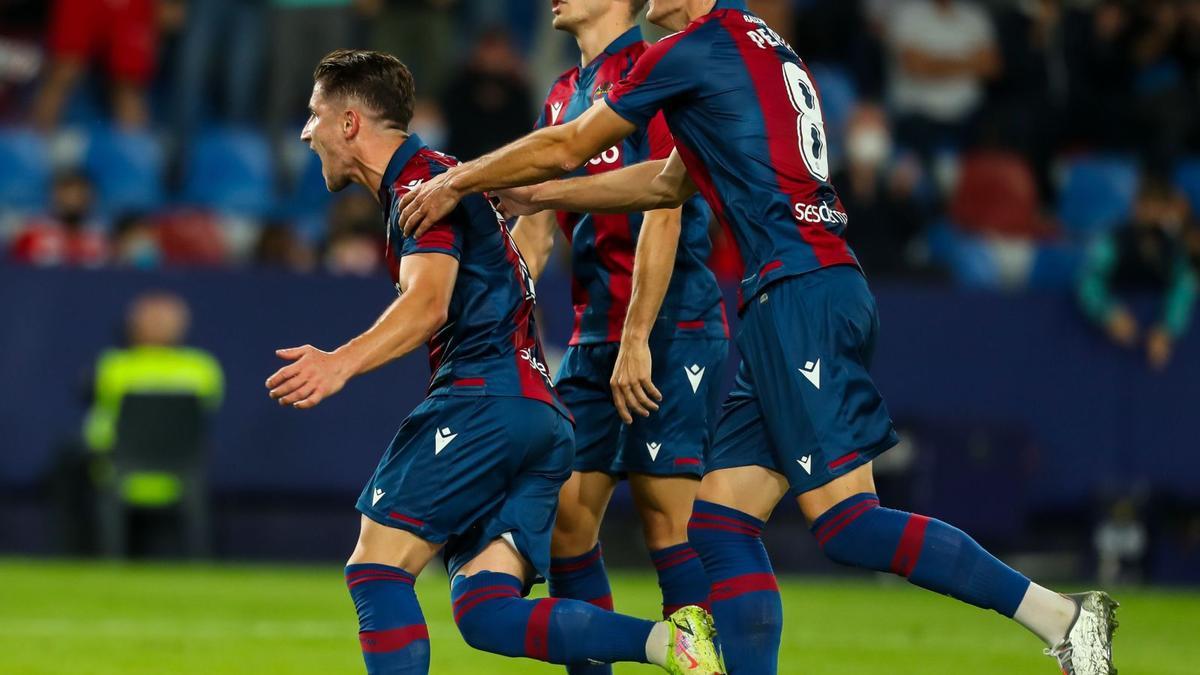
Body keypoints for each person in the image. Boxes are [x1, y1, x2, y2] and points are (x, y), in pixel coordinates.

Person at [396, 2, 1118, 673]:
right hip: (804, 289)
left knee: (846, 524)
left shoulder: (691, 50)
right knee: (717, 522)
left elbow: (572, 143)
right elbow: (665, 183)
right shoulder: (755, 46)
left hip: (797, 293)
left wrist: (461, 178)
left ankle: (1063, 618)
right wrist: (543, 195)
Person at [265, 49, 722, 675]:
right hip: (540, 418)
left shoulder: (420, 186)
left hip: (484, 400)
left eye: (316, 115)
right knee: (485, 612)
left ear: (350, 124)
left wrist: (339, 364)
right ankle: (670, 645)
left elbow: (428, 305)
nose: (305, 131)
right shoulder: (451, 178)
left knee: (376, 569)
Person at [509, 4, 728, 667]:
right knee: (569, 523)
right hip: (592, 331)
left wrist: (638, 339)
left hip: (671, 324)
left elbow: (665, 204)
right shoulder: (560, 96)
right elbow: (538, 222)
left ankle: (701, 660)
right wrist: (496, 309)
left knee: (669, 522)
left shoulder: (654, 71)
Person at [1078, 176, 1198, 370]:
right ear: (1136, 207)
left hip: (1154, 346)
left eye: (1158, 208)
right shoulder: (1115, 240)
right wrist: (1108, 313)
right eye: (1147, 206)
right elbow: (1089, 280)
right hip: (1102, 346)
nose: (1152, 214)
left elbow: (1183, 287)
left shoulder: (1172, 247)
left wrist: (1167, 329)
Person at [9, 171, 107, 267]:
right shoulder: (34, 233)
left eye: (79, 194)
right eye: (67, 193)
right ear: (55, 195)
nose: (73, 199)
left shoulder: (101, 236)